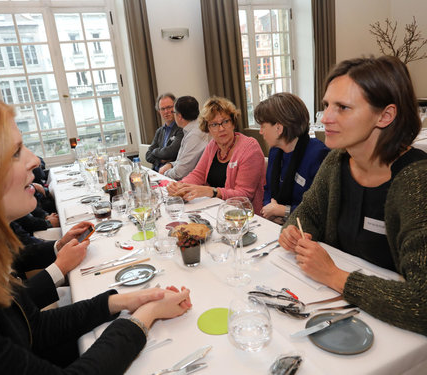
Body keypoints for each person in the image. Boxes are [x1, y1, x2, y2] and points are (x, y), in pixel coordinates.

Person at [0, 87, 192, 373]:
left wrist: (126, 300)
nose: (35, 161)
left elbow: (33, 327)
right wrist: (144, 316)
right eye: (15, 152)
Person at [278, 56, 427, 335]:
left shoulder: (417, 182)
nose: (325, 118)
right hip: (344, 315)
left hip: (397, 333)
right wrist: (295, 233)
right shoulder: (336, 162)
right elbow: (307, 213)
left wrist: (334, 275)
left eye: (343, 108)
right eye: (326, 106)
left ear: (385, 116)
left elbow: (423, 302)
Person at [167, 96, 265, 214]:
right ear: (208, 128)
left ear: (233, 123)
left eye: (225, 121)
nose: (221, 128)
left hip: (244, 216)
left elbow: (244, 196)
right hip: (216, 210)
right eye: (214, 124)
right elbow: (198, 174)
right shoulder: (213, 145)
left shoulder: (249, 148)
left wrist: (212, 191)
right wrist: (179, 186)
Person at [255, 93, 329, 223]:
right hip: (278, 225)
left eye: (263, 126)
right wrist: (270, 209)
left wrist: (283, 211)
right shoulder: (274, 152)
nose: (261, 132)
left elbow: (321, 209)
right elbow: (268, 190)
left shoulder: (318, 155)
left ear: (279, 128)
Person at [159, 95, 209, 180]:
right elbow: (183, 161)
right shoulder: (190, 130)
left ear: (179, 116)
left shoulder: (194, 135)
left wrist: (163, 174)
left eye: (173, 112)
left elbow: (181, 173)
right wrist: (171, 164)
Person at [146, 93, 184, 171]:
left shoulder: (181, 129)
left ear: (176, 108)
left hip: (171, 173)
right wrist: (160, 160)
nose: (166, 111)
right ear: (159, 111)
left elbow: (170, 153)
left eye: (169, 107)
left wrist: (155, 151)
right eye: (162, 109)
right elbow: (148, 155)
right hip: (156, 172)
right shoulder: (159, 131)